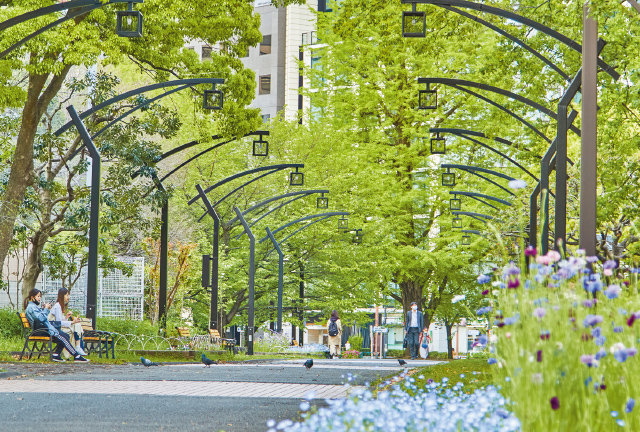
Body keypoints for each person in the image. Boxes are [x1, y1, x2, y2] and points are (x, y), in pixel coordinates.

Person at [23, 288, 89, 363]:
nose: (39, 298)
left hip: (45, 329)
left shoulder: (33, 306)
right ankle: (76, 356)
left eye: (40, 296)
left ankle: (56, 355)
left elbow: (41, 318)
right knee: (63, 337)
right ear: (32, 297)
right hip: (41, 330)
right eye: (38, 296)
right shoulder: (31, 307)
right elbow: (40, 319)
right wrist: (46, 309)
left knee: (65, 336)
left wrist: (44, 309)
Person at [49, 288, 88, 356]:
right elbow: (59, 323)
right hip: (55, 329)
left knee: (77, 325)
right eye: (67, 295)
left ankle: (78, 347)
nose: (68, 297)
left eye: (68, 295)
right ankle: (78, 347)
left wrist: (66, 317)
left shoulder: (60, 306)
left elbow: (60, 321)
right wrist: (72, 322)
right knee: (76, 325)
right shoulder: (58, 306)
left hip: (56, 327)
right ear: (62, 296)